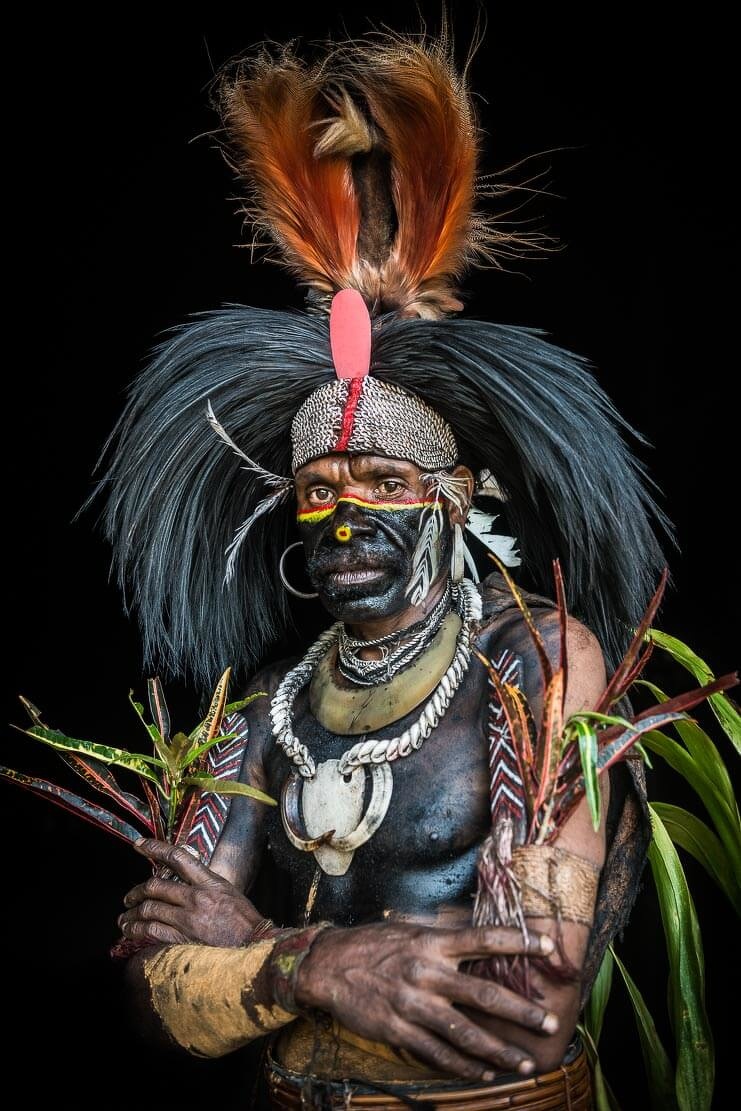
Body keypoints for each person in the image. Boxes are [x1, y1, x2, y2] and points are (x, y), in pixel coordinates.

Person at [97, 30, 664, 1109]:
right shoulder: (263, 711)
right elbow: (156, 996)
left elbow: (528, 1008)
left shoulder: (539, 662)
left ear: (454, 500)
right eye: (317, 490)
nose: (345, 516)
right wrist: (319, 965)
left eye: (384, 483)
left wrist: (258, 950)